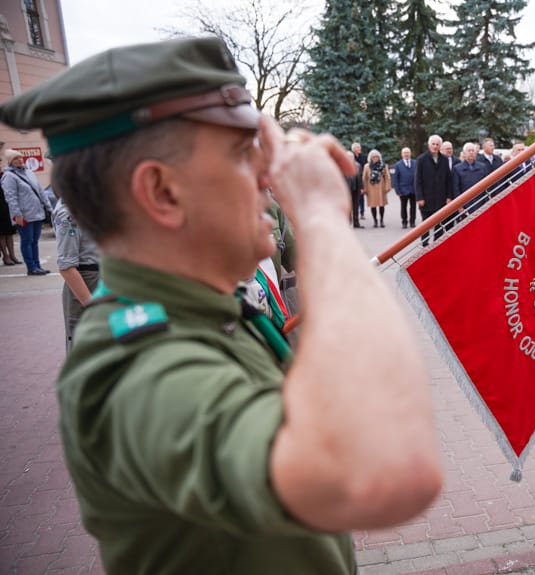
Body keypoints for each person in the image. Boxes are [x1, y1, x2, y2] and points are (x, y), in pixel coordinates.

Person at [0, 36, 442, 574]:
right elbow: (390, 471)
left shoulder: (213, 307)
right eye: (240, 154)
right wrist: (323, 215)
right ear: (162, 192)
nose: (268, 178)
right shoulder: (139, 366)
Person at [53, 197, 101, 351]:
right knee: (83, 347)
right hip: (86, 282)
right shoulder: (69, 214)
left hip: (101, 280)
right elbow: (67, 267)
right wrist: (92, 305)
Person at [1, 149, 52, 275]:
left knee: (34, 241)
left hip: (37, 213)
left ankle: (37, 266)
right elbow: (11, 197)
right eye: (15, 159)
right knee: (27, 241)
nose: (19, 160)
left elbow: (40, 191)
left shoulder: (29, 172)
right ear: (10, 162)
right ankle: (31, 267)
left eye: (20, 158)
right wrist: (17, 214)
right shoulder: (9, 177)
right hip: (24, 215)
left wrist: (49, 207)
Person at [415, 134, 452, 245]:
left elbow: (448, 180)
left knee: (439, 222)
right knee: (426, 223)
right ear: (429, 145)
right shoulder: (421, 159)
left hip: (441, 198)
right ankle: (425, 243)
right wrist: (419, 197)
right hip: (426, 198)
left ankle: (437, 243)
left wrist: (449, 196)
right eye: (433, 144)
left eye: (437, 144)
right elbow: (417, 180)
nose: (435, 146)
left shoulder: (444, 160)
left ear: (440, 146)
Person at [452, 142, 489, 214]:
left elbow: (486, 186)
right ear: (464, 153)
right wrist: (459, 206)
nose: (471, 153)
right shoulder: (457, 168)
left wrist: (486, 201)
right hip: (465, 204)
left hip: (480, 202)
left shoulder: (482, 167)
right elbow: (456, 189)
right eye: (469, 151)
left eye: (473, 151)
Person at [362, 149, 390, 228]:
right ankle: (375, 221)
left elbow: (387, 177)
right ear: (370, 158)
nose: (375, 158)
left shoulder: (383, 165)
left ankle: (381, 220)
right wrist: (364, 188)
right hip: (371, 189)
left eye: (376, 157)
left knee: (382, 205)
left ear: (379, 157)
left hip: (381, 188)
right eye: (373, 157)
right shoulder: (367, 166)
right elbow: (364, 178)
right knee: (373, 205)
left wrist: (387, 186)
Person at [393, 147, 417, 229]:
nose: (406, 154)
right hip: (403, 190)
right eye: (404, 153)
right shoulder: (398, 165)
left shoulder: (415, 163)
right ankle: (404, 222)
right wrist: (397, 190)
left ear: (410, 153)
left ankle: (412, 221)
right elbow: (395, 178)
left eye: (408, 152)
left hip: (414, 189)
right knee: (403, 207)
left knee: (413, 207)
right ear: (402, 154)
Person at [345, 150, 363, 228]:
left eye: (351, 157)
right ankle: (348, 223)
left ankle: (356, 223)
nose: (350, 158)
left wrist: (362, 188)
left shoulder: (358, 165)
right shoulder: (342, 165)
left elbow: (361, 177)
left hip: (356, 188)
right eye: (348, 157)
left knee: (356, 206)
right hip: (347, 189)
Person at [352, 142, 368, 220]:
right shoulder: (351, 156)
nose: (360, 149)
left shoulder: (364, 157)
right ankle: (355, 213)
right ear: (354, 149)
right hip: (353, 179)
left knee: (361, 197)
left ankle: (362, 212)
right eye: (358, 147)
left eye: (360, 147)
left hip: (362, 179)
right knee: (354, 198)